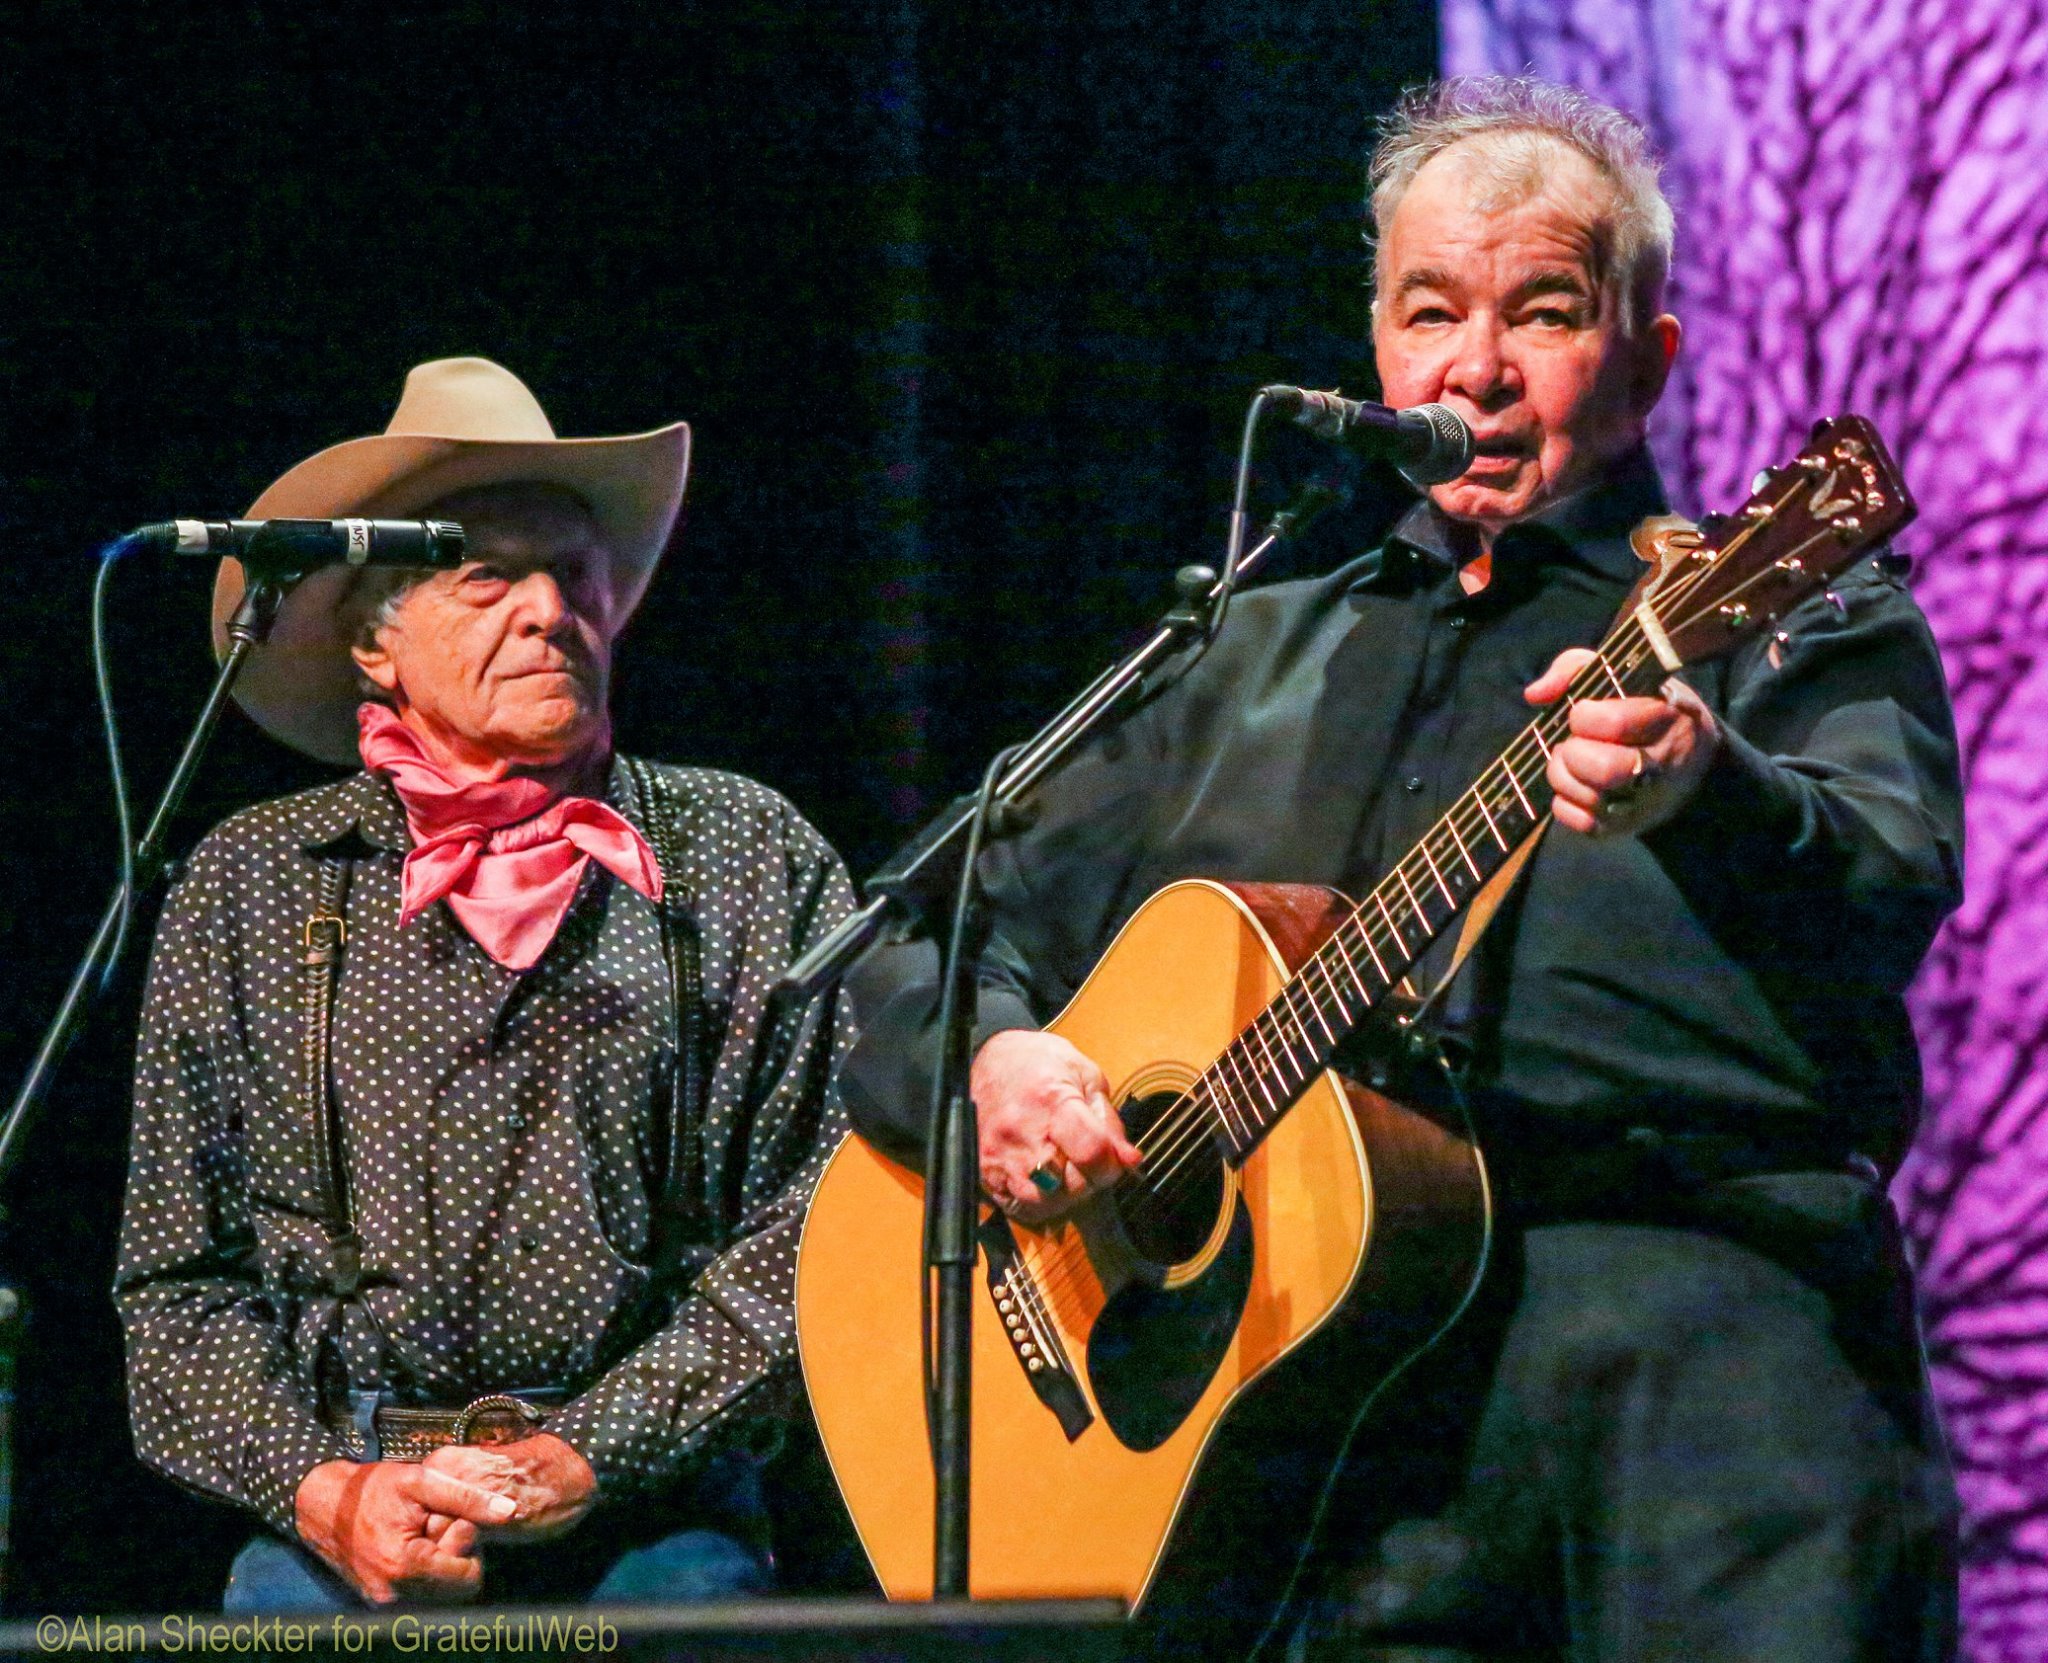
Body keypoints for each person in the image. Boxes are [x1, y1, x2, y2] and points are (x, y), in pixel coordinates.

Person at [838, 78, 1963, 1662]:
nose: (1476, 369)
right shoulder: (1245, 649)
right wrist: (990, 1062)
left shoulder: (1784, 606)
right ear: (1375, 348)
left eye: (1547, 313)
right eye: (1430, 311)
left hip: (1714, 1356)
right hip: (1334, 1411)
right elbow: (931, 932)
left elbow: (1885, 886)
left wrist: (1709, 785)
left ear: (1651, 356)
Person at [117, 357, 856, 1611]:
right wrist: (328, 1492)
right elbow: (174, 1286)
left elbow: (823, 1216)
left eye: (572, 572)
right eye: (485, 576)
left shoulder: (743, 854)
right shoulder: (251, 883)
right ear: (371, 644)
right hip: (345, 1509)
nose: (545, 609)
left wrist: (591, 1450)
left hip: (652, 1505)